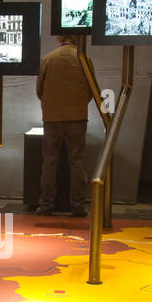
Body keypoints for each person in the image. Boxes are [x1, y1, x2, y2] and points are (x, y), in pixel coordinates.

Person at [35, 35, 93, 216]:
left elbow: (39, 90)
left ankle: (46, 205)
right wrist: (80, 104)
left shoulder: (48, 58)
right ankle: (78, 206)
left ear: (59, 40)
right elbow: (92, 89)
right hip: (77, 117)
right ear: (76, 39)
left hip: (52, 118)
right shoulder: (84, 58)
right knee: (77, 162)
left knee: (50, 162)